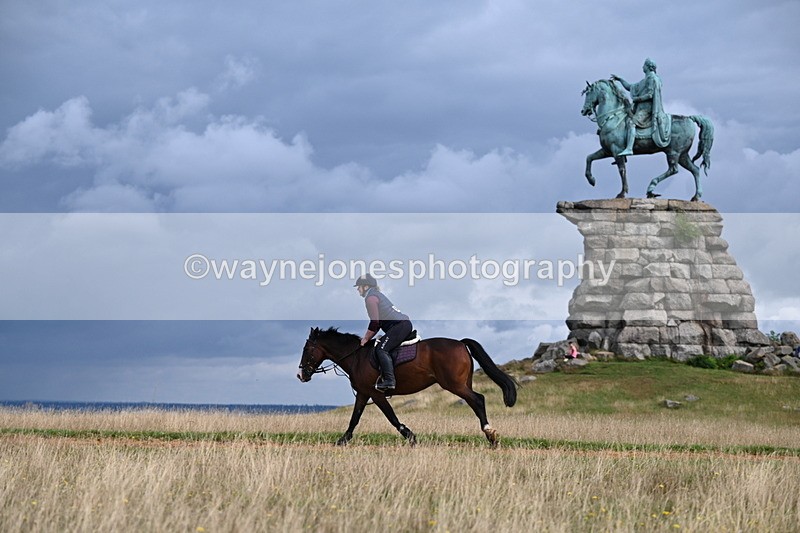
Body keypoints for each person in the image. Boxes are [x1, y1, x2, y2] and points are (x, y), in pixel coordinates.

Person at [354, 274, 413, 392]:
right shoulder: (376, 295)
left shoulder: (370, 299)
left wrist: (365, 339)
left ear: (366, 287)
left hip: (399, 326)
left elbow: (375, 323)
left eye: (359, 287)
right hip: (401, 325)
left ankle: (390, 381)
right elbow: (378, 324)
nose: (357, 289)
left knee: (381, 349)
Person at [611, 58, 671, 156]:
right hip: (640, 108)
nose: (642, 67)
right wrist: (620, 79)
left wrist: (638, 99)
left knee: (631, 123)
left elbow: (650, 95)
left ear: (647, 67)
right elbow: (630, 87)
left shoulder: (652, 79)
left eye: (644, 65)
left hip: (647, 110)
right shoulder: (644, 80)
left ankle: (629, 148)